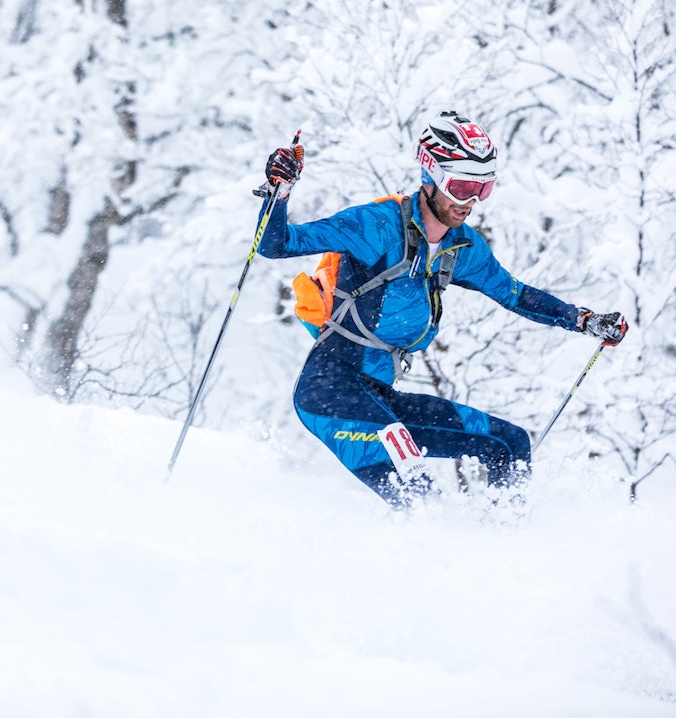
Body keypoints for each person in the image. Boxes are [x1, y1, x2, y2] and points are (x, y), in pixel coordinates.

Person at [256, 110, 628, 507]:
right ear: (431, 175)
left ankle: (507, 541)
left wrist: (583, 320)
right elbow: (276, 244)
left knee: (510, 443)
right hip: (329, 390)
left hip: (380, 394)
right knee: (422, 496)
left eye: (483, 189)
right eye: (462, 186)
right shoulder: (376, 226)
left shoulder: (462, 248)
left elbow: (515, 293)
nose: (471, 201)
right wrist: (280, 192)